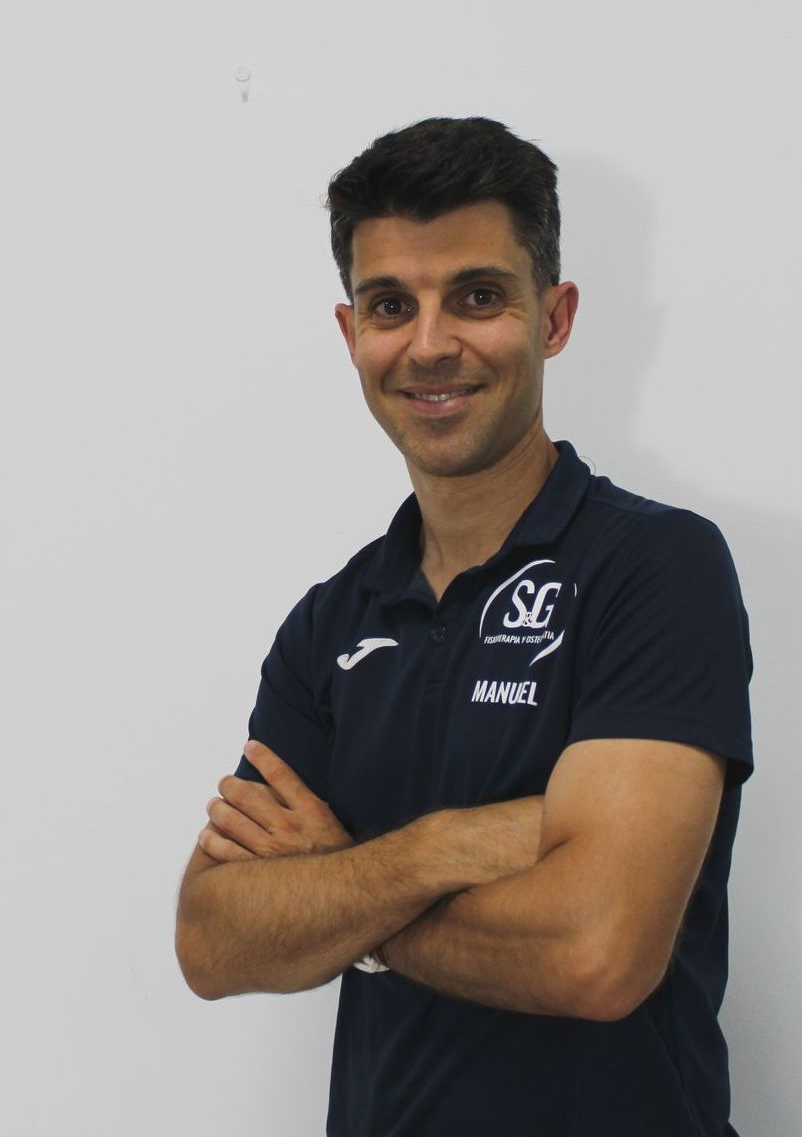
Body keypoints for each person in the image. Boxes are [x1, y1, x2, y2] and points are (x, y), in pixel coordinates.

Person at [175, 116, 754, 1137]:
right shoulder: (330, 623)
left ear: (555, 316)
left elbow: (596, 953)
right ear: (351, 333)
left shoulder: (653, 569)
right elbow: (214, 940)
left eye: (478, 296)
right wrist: (442, 848)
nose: (432, 344)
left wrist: (341, 893)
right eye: (392, 304)